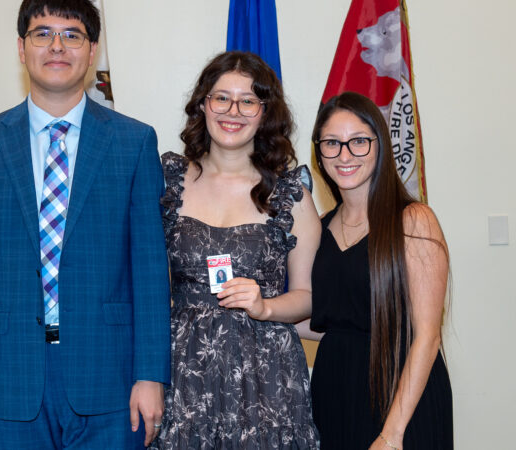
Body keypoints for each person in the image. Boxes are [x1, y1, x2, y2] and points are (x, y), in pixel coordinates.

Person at [0, 0, 170, 448]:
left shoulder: (134, 142)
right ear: (22, 50)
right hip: (5, 378)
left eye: (72, 34)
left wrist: (150, 374)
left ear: (92, 50)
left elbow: (148, 270)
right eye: (42, 33)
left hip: (111, 377)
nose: (57, 45)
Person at [152, 51, 321, 449]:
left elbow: (308, 298)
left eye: (248, 100)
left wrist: (265, 306)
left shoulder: (291, 194)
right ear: (203, 104)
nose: (233, 111)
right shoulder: (166, 180)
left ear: (266, 112)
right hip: (181, 375)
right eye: (221, 97)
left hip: (268, 382)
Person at [306, 91, 452, 449]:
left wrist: (393, 431)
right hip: (335, 393)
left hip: (400, 395)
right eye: (332, 143)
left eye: (358, 141)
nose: (344, 155)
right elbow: (327, 322)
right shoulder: (318, 228)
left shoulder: (413, 220)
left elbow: (428, 335)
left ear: (379, 145)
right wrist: (256, 310)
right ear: (319, 152)